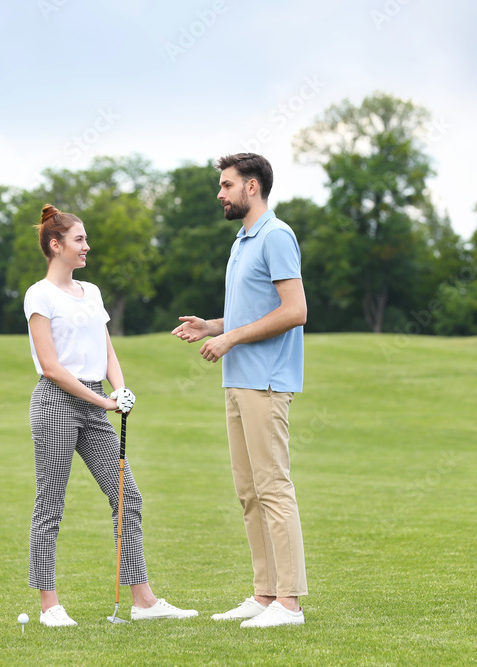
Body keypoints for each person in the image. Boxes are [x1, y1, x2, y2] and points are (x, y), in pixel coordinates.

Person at [24, 204, 196, 626]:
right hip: (55, 403)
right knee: (50, 503)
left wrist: (118, 389)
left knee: (127, 496)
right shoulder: (39, 295)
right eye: (79, 240)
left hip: (98, 400)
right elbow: (50, 366)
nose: (87, 246)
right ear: (55, 245)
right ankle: (50, 606)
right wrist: (102, 402)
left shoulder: (93, 292)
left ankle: (143, 601)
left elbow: (106, 351)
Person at [172, 153, 308, 628]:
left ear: (252, 188)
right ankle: (265, 594)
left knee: (273, 488)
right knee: (249, 492)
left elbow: (294, 310)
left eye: (227, 185)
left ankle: (289, 603)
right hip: (237, 380)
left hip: (265, 382)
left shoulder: (276, 235)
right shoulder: (242, 240)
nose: (220, 193)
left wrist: (229, 339)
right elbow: (254, 312)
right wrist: (213, 325)